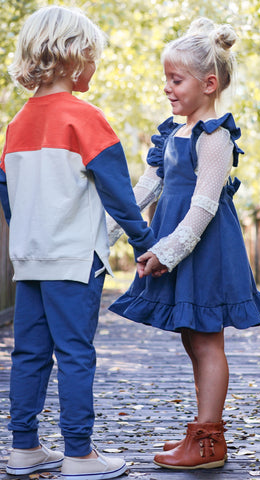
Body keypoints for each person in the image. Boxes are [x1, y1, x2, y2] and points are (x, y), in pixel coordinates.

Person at [0, 6, 158, 480]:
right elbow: (119, 194)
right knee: (74, 353)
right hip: (73, 259)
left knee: (28, 353)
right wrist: (144, 241)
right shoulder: (85, 119)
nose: (95, 66)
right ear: (75, 57)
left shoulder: (14, 126)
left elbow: (7, 194)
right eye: (94, 57)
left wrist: (28, 230)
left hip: (28, 260)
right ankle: (79, 453)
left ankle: (23, 446)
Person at [108, 17, 260, 470]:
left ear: (209, 84)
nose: (167, 88)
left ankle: (207, 442)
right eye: (167, 79)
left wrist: (168, 250)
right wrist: (103, 234)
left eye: (176, 80)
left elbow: (203, 206)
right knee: (192, 338)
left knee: (207, 342)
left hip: (204, 250)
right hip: (180, 249)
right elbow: (143, 191)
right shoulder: (172, 134)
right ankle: (203, 432)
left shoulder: (215, 137)